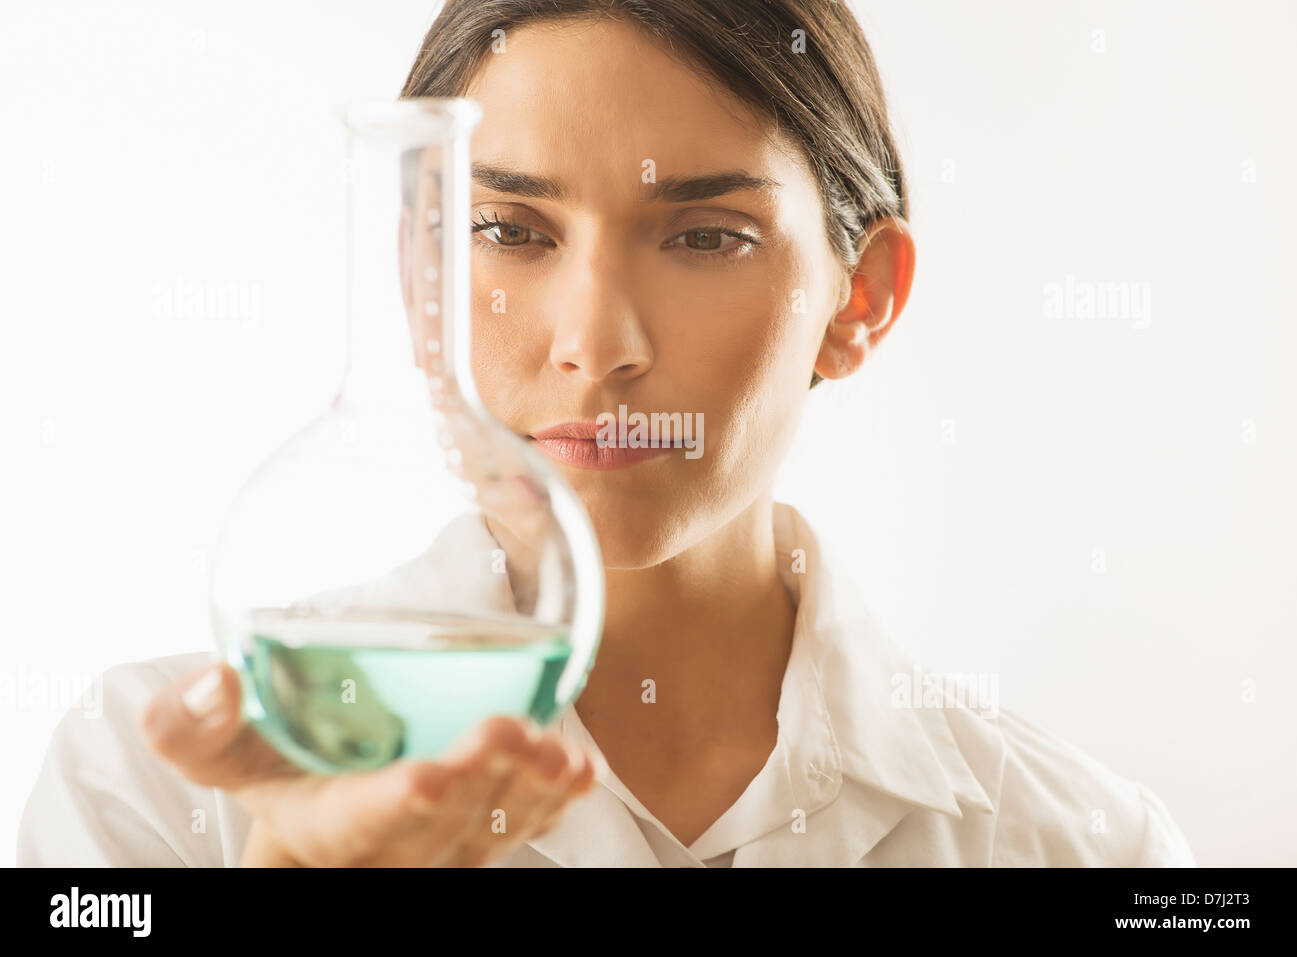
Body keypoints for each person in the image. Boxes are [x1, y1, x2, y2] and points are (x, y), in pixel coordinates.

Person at [16, 0, 1195, 867]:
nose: (596, 343)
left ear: (860, 300)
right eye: (511, 231)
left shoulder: (1087, 850)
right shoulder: (149, 787)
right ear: (418, 278)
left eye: (705, 237)